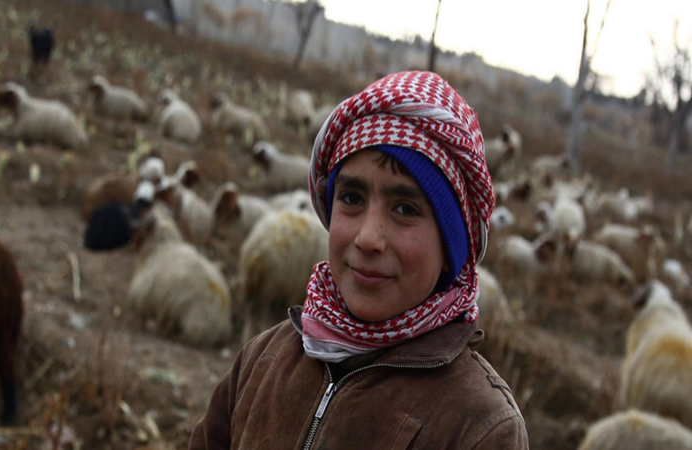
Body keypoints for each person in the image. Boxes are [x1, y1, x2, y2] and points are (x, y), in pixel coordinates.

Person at [188, 71, 529, 450]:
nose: (368, 238)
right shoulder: (261, 361)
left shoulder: (479, 429)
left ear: (452, 248)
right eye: (351, 198)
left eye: (405, 208)